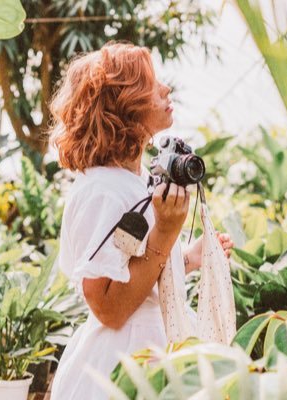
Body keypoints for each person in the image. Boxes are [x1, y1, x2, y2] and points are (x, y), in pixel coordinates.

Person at [49, 42, 234, 399]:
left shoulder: (129, 182)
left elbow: (129, 267)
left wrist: (187, 260)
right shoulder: (103, 191)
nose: (165, 89)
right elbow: (107, 306)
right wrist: (165, 232)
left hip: (151, 351)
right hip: (122, 368)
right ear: (126, 105)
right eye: (152, 83)